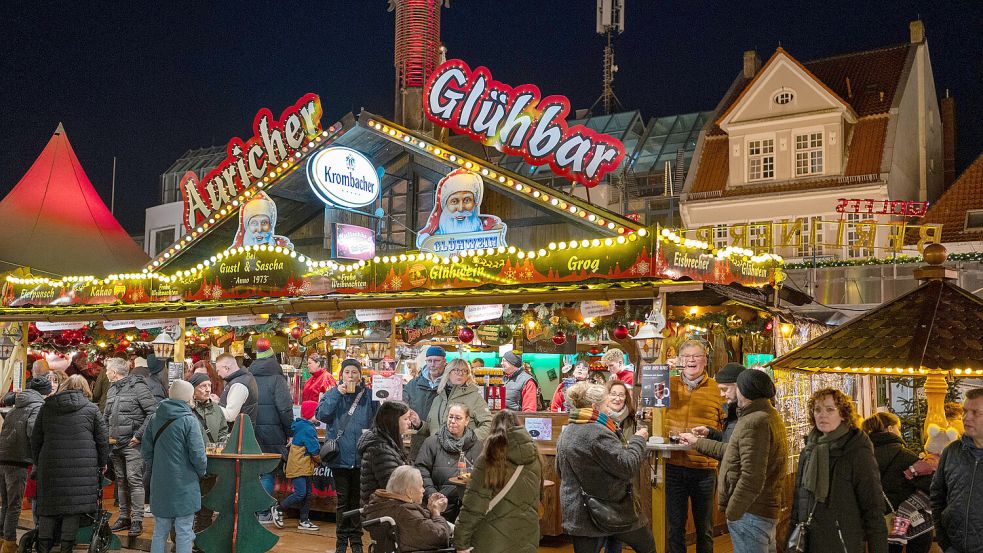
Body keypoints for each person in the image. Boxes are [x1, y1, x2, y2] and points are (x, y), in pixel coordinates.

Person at [555, 382, 654, 553]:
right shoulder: (597, 432)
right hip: (612, 508)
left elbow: (559, 470)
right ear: (595, 406)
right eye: (606, 405)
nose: (609, 410)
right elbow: (627, 465)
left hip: (578, 512)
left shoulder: (568, 430)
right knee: (648, 547)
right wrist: (639, 439)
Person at [789, 388, 886, 553]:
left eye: (830, 409)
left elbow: (873, 507)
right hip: (809, 541)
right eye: (817, 410)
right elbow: (799, 502)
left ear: (843, 414)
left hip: (843, 543)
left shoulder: (856, 451)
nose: (822, 415)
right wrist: (791, 539)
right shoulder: (809, 451)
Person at [31, 374, 110, 553]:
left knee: (48, 507)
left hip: (50, 465)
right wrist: (102, 462)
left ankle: (43, 547)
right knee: (72, 510)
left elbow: (36, 439)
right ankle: (66, 548)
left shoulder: (47, 407)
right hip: (82, 469)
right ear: (86, 389)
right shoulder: (91, 409)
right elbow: (102, 439)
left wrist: (39, 462)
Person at [715, 369, 787, 553]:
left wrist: (733, 511)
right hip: (762, 510)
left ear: (745, 391)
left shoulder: (755, 421)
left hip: (751, 512)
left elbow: (752, 476)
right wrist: (700, 442)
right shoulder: (769, 415)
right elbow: (735, 453)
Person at [664, 340, 724, 553]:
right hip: (672, 466)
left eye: (696, 356)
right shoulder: (667, 385)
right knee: (674, 528)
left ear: (705, 360)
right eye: (686, 356)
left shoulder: (717, 389)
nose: (691, 360)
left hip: (704, 469)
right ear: (680, 360)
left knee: (704, 529)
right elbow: (650, 412)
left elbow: (725, 430)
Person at [454, 410, 543, 553]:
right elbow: (538, 498)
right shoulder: (535, 457)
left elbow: (473, 506)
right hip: (527, 538)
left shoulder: (489, 460)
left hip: (492, 541)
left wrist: (460, 541)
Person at [316, 359, 377, 553]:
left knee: (358, 502)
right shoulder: (332, 394)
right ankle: (341, 542)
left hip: (361, 457)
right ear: (341, 375)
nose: (351, 376)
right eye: (347, 372)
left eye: (354, 372)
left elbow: (378, 419)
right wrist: (336, 393)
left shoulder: (369, 396)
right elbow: (322, 415)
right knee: (342, 501)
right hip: (339, 457)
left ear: (360, 375)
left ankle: (357, 542)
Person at [142, 380, 208, 553]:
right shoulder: (189, 421)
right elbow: (198, 455)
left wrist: (158, 467)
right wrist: (201, 472)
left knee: (160, 530)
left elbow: (146, 451)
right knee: (184, 530)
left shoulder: (155, 418)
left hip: (160, 482)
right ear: (188, 397)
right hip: (184, 483)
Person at [862, 411, 933, 553]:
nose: (899, 432)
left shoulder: (863, 456)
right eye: (898, 428)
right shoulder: (904, 455)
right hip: (910, 523)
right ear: (890, 429)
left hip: (879, 522)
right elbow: (929, 485)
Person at [103, 357, 157, 537]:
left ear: (115, 372)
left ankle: (137, 520)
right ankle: (124, 516)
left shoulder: (138, 387)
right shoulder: (112, 390)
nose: (106, 373)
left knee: (134, 480)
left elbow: (153, 412)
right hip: (115, 444)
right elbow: (106, 415)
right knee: (121, 481)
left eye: (108, 370)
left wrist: (139, 435)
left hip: (133, 444)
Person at [0, 377, 51, 553]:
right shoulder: (37, 408)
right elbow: (33, 434)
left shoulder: (15, 408)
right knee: (14, 505)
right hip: (19, 460)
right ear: (45, 393)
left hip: (4, 458)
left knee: (6, 503)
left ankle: (3, 538)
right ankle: (9, 543)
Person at [931, 387, 983, 553]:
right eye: (965, 411)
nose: (967, 418)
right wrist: (944, 540)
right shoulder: (952, 451)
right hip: (954, 547)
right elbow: (937, 495)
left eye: (976, 413)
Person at [248, 340, 294, 523]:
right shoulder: (277, 378)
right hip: (273, 431)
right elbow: (285, 409)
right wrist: (290, 430)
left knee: (253, 472)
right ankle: (263, 511)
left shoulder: (249, 377)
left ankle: (251, 510)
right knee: (267, 472)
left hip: (251, 429)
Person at [415, 403, 483, 522]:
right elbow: (421, 470)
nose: (452, 421)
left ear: (467, 420)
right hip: (438, 506)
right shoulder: (432, 442)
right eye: (450, 417)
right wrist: (432, 494)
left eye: (458, 418)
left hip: (466, 507)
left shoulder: (476, 445)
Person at [363, 465, 452, 551]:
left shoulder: (382, 504)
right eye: (421, 486)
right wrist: (436, 512)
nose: (423, 490)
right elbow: (440, 537)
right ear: (409, 492)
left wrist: (430, 509)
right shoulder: (405, 513)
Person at [415, 168, 506, 248]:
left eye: (467, 200)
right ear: (445, 205)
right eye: (454, 201)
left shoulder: (491, 230)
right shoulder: (432, 241)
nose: (461, 208)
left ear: (475, 203)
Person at [186, 373, 228, 536]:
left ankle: (202, 537)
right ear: (193, 389)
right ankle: (185, 538)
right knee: (190, 504)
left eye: (209, 386)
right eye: (202, 386)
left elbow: (224, 429)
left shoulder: (216, 409)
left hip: (211, 462)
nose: (207, 389)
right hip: (191, 464)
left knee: (207, 503)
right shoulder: (187, 409)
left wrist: (222, 442)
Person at [679, 362, 745, 459]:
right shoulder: (735, 410)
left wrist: (697, 442)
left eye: (725, 389)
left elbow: (733, 452)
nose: (722, 394)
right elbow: (730, 441)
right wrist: (710, 433)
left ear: (740, 387)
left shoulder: (751, 415)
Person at [272, 401, 321, 532]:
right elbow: (314, 450)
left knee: (307, 494)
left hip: (302, 466)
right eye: (318, 411)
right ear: (312, 414)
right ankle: (278, 508)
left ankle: (304, 520)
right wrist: (322, 460)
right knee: (301, 493)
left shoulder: (301, 426)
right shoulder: (308, 429)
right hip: (300, 466)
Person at [358, 400, 419, 506]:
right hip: (381, 509)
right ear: (392, 421)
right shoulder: (380, 448)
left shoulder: (388, 441)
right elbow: (394, 488)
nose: (409, 422)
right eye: (405, 419)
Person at [420, 359, 492, 441]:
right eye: (457, 370)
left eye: (465, 371)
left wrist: (467, 440)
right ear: (448, 372)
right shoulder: (438, 398)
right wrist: (419, 424)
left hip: (463, 452)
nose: (461, 373)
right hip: (438, 451)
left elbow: (488, 424)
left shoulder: (475, 397)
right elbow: (432, 427)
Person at [405, 346, 447, 459]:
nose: (432, 364)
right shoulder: (413, 384)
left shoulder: (450, 384)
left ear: (444, 362)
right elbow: (403, 406)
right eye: (429, 360)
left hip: (444, 442)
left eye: (436, 361)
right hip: (418, 441)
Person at [214, 353, 258, 423]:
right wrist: (218, 401)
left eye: (218, 370)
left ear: (226, 368)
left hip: (237, 431)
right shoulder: (245, 377)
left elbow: (230, 416)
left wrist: (211, 405)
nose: (218, 374)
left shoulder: (238, 385)